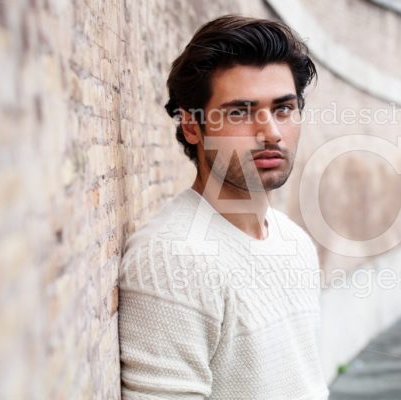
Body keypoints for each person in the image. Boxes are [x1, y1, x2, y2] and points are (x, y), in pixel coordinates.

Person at [118, 14, 329, 399]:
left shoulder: (294, 242)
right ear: (191, 126)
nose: (271, 132)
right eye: (240, 112)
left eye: (283, 108)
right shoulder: (172, 258)